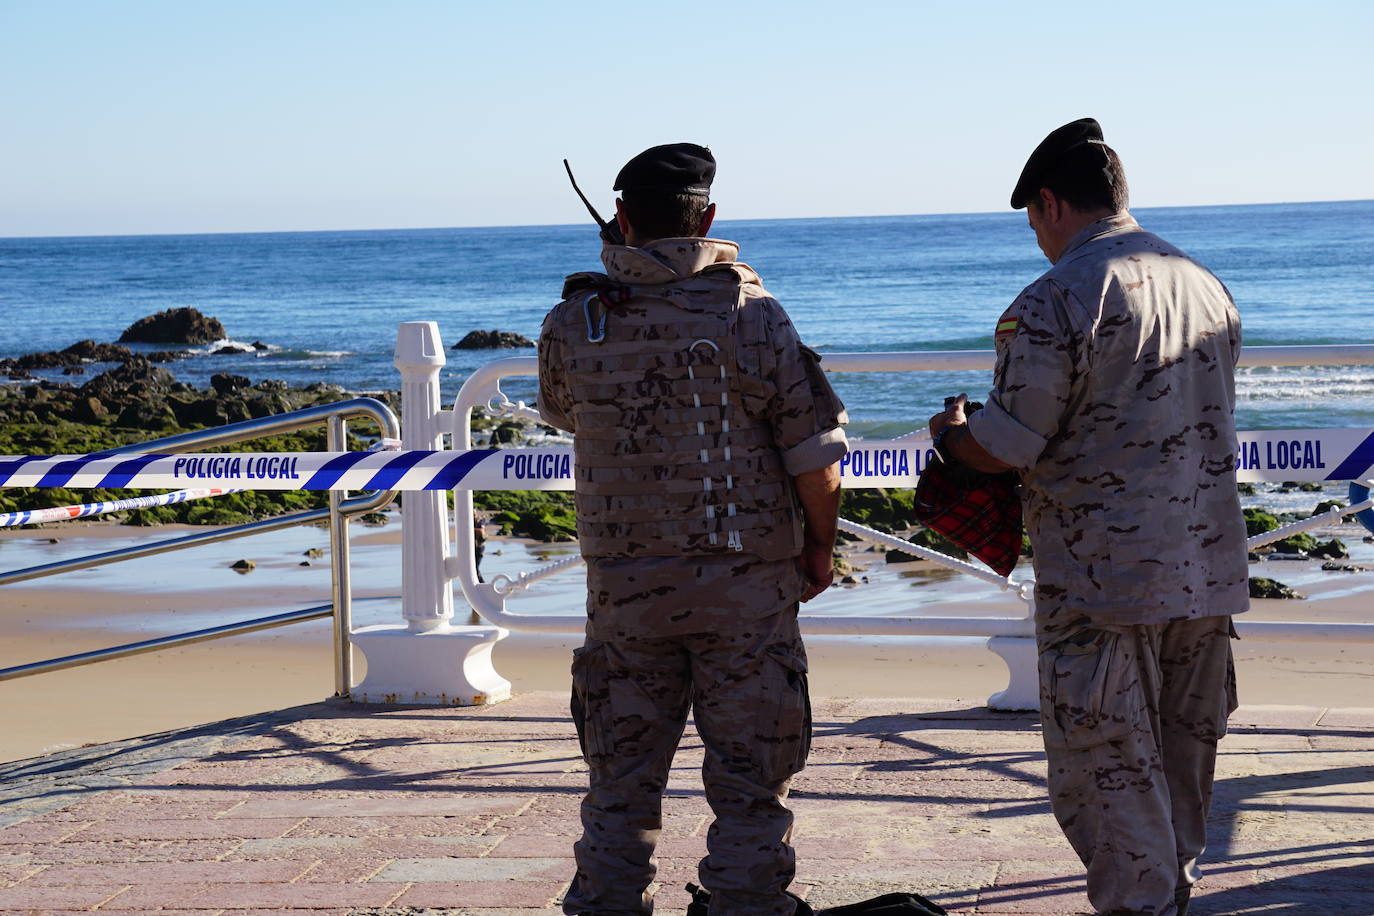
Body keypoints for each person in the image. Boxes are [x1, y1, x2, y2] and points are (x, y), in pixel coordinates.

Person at [927, 119, 1249, 916]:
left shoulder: (1057, 297)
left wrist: (951, 437)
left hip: (1102, 583)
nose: (1037, 239)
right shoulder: (1203, 280)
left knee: (1109, 778)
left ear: (1049, 204)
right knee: (1182, 770)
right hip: (1206, 573)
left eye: (1034, 221)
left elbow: (1007, 444)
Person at [538, 142, 848, 916]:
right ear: (707, 217)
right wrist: (818, 544)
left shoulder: (574, 322)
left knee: (620, 780)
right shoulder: (754, 315)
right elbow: (813, 455)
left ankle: (605, 906)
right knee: (751, 781)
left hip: (625, 592)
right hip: (745, 587)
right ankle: (746, 906)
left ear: (620, 218)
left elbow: (562, 412)